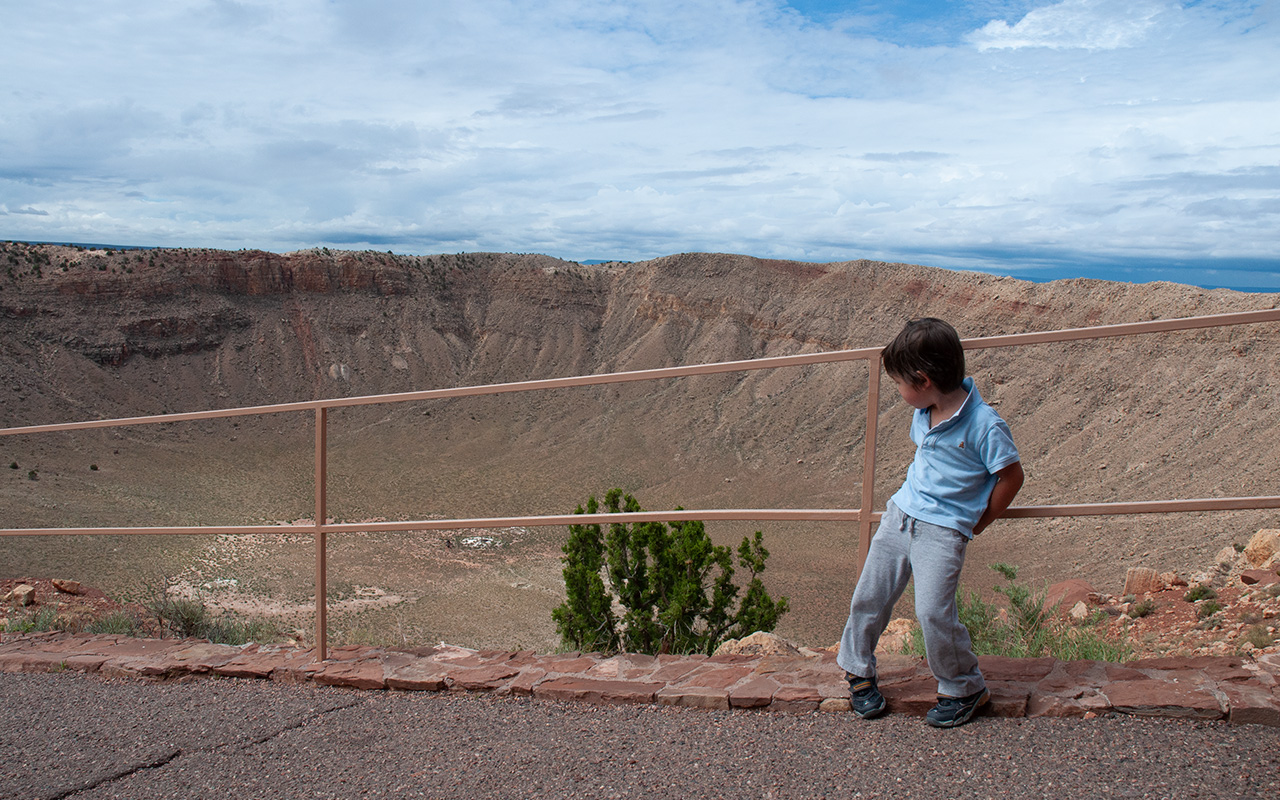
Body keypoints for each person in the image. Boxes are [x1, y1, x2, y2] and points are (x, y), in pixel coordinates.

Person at [837, 317, 1024, 728]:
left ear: (922, 381)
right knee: (870, 596)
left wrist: (978, 522)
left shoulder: (985, 424)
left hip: (942, 531)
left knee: (934, 612)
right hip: (900, 515)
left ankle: (963, 687)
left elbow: (1011, 476)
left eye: (900, 384)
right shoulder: (925, 412)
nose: (898, 392)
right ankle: (857, 670)